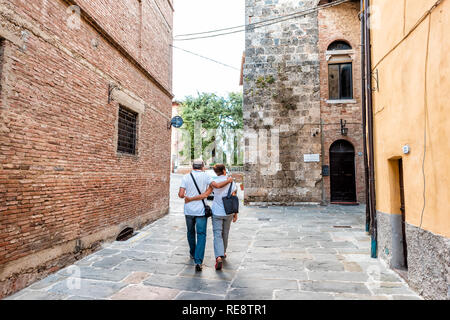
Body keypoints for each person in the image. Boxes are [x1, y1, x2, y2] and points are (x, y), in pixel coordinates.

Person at [178, 160, 232, 271]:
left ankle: (193, 253)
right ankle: (198, 261)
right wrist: (229, 181)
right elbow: (216, 186)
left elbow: (181, 194)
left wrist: (189, 197)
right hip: (201, 211)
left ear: (192, 167)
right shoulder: (206, 177)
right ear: (202, 167)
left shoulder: (186, 177)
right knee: (201, 234)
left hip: (188, 210)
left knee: (190, 232)